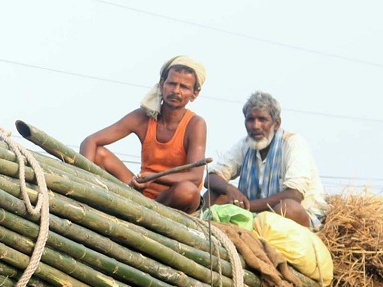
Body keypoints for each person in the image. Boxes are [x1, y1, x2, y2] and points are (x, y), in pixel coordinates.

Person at [80, 56, 207, 213]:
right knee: (98, 153)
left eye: (184, 87)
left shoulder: (195, 124)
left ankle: (150, 210)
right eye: (172, 83)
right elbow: (90, 141)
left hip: (171, 198)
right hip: (140, 192)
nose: (176, 91)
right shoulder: (143, 117)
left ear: (195, 93)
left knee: (187, 191)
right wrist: (83, 181)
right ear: (162, 84)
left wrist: (153, 177)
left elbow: (195, 177)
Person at [204, 91, 327, 229]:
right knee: (213, 195)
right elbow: (211, 177)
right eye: (250, 120)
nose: (256, 126)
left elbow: (295, 194)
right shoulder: (245, 145)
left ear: (276, 123)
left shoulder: (292, 143)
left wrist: (247, 206)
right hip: (253, 214)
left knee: (288, 207)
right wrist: (230, 189)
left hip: (297, 215)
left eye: (262, 119)